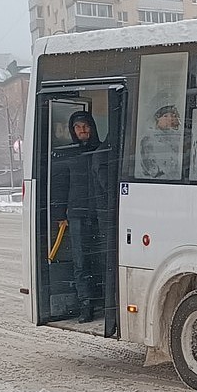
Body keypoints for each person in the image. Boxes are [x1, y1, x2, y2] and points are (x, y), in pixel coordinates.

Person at [51, 110, 114, 323]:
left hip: (101, 214)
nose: (82, 130)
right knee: (81, 263)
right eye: (78, 127)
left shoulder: (104, 150)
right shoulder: (69, 154)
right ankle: (85, 305)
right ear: (73, 130)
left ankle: (107, 303)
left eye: (85, 126)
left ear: (92, 127)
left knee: (104, 260)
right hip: (77, 215)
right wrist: (60, 214)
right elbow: (60, 187)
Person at [138, 105, 182, 179]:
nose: (169, 119)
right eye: (165, 116)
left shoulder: (175, 138)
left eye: (172, 116)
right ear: (157, 118)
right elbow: (151, 168)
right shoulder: (148, 139)